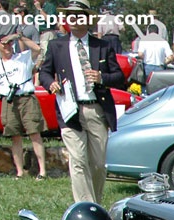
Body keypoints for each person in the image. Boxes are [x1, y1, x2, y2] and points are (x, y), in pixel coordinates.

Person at [38, 0, 124, 203]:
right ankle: (85, 208)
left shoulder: (102, 46)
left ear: (88, 19)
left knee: (97, 164)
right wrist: (50, 83)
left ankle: (95, 204)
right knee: (77, 161)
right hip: (70, 111)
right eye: (70, 15)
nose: (73, 18)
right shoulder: (56, 45)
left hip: (97, 110)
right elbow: (44, 72)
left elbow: (119, 77)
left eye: (78, 15)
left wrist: (101, 78)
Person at [0, 31, 47, 179]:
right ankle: (19, 172)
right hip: (8, 101)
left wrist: (19, 37)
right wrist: (1, 93)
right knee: (15, 136)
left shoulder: (22, 57)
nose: (7, 46)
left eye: (9, 43)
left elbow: (37, 49)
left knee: (34, 133)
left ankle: (43, 171)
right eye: (4, 43)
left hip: (27, 99)